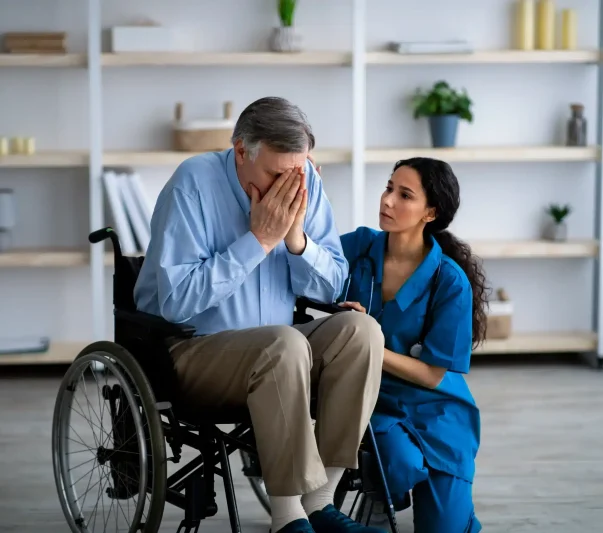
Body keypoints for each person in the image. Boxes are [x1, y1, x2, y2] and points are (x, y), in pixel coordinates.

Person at [134, 96, 387, 533]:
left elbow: (332, 287)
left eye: (298, 170)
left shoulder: (304, 180)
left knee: (361, 332)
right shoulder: (192, 183)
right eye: (275, 173)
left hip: (280, 353)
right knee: (284, 342)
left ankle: (321, 503)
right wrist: (258, 240)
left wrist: (297, 240)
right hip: (192, 353)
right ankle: (287, 519)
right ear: (240, 151)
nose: (289, 184)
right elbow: (174, 303)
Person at [338, 157, 488, 533]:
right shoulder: (358, 248)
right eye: (389, 188)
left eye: (404, 195)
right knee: (398, 462)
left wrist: (364, 336)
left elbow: (434, 372)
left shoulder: (449, 282)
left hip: (438, 411)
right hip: (372, 399)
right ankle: (381, 492)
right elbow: (306, 264)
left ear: (430, 213)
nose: (387, 201)